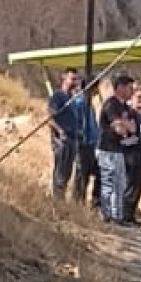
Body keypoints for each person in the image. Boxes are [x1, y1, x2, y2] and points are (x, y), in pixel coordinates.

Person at [96, 74, 140, 224]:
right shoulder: (111, 104)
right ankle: (107, 215)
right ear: (120, 87)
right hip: (108, 149)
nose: (132, 91)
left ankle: (117, 215)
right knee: (108, 183)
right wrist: (123, 124)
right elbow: (119, 128)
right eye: (129, 88)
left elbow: (132, 128)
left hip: (120, 150)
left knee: (120, 184)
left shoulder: (125, 107)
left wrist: (124, 124)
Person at [47, 68, 85, 200]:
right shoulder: (58, 96)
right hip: (62, 140)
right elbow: (50, 117)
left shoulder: (72, 98)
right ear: (64, 78)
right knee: (60, 171)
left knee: (68, 171)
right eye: (72, 79)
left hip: (72, 139)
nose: (74, 82)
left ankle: (61, 198)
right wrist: (59, 130)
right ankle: (56, 200)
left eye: (76, 79)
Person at [122, 90, 141, 223]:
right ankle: (125, 215)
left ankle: (131, 215)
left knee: (138, 188)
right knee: (129, 187)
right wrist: (135, 140)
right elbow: (123, 140)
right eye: (138, 97)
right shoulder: (129, 114)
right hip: (130, 157)